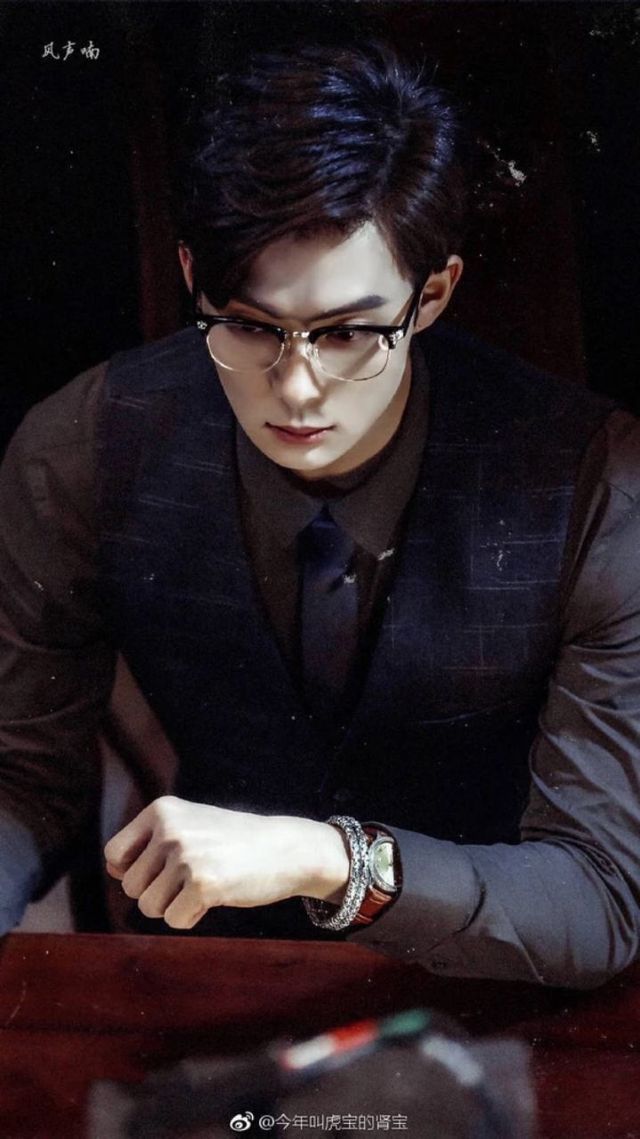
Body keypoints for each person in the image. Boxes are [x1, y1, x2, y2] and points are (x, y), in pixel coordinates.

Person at [1, 41, 639, 988]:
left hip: (510, 994)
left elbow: (602, 893)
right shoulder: (79, 446)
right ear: (191, 275)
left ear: (432, 295)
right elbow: (21, 776)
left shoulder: (594, 482)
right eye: (248, 325)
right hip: (221, 995)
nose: (295, 388)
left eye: (347, 332)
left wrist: (329, 859)